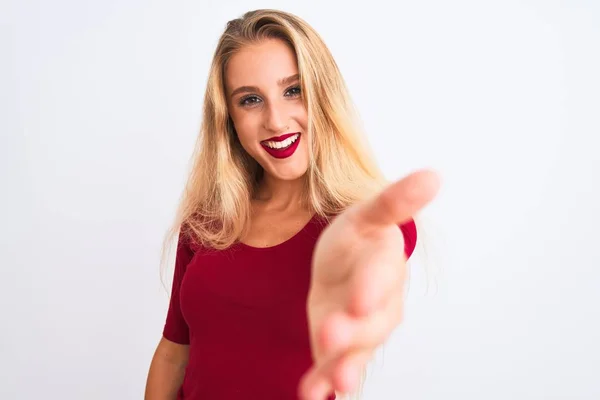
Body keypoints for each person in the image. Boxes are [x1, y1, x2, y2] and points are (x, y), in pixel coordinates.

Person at [144, 8, 439, 400]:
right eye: (250, 100)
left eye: (293, 90)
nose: (276, 120)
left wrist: (370, 274)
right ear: (229, 118)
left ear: (323, 94)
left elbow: (379, 259)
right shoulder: (207, 220)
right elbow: (173, 355)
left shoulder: (363, 225)